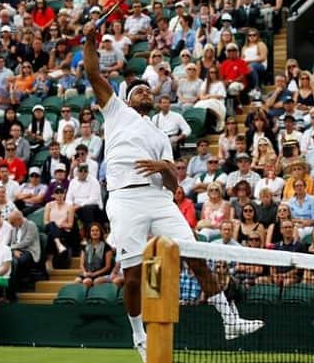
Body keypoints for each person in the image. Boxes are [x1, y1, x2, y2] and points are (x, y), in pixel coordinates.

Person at [82, 21, 263, 362]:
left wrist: (166, 169)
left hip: (160, 200)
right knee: (133, 276)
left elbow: (173, 185)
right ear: (125, 97)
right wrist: (90, 41)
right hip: (125, 199)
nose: (146, 93)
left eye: (148, 91)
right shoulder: (115, 111)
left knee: (195, 254)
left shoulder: (161, 136)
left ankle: (230, 319)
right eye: (139, 91)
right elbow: (93, 73)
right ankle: (139, 337)